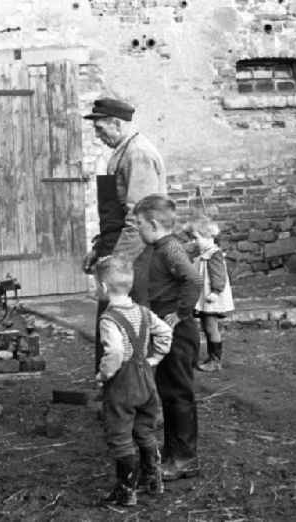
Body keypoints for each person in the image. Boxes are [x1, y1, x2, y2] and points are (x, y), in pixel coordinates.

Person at [82, 98, 167, 374]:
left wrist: (116, 265)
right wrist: (99, 247)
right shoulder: (122, 151)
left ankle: (134, 391)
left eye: (100, 129)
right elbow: (114, 214)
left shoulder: (138, 154)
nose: (97, 135)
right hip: (118, 247)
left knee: (129, 323)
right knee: (110, 319)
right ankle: (112, 387)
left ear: (116, 124)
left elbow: (138, 220)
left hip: (136, 255)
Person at [130, 194, 203, 481]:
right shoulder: (157, 248)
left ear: (153, 223)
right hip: (164, 329)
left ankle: (185, 459)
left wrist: (180, 312)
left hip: (178, 332)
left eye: (139, 224)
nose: (137, 229)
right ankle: (173, 453)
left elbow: (194, 280)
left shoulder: (170, 249)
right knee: (169, 393)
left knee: (179, 393)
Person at [94, 256, 172, 506]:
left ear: (104, 288)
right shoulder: (143, 312)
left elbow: (115, 352)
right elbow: (166, 332)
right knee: (144, 430)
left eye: (97, 285)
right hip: (146, 379)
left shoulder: (109, 319)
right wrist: (155, 358)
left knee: (120, 435)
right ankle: (154, 479)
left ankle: (126, 490)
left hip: (123, 384)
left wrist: (104, 374)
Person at [185, 215, 235, 372]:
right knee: (206, 326)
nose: (193, 242)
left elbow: (218, 275)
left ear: (209, 236)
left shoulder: (214, 254)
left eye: (196, 238)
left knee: (211, 326)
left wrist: (215, 291)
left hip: (211, 297)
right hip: (204, 296)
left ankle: (215, 360)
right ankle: (211, 357)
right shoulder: (202, 253)